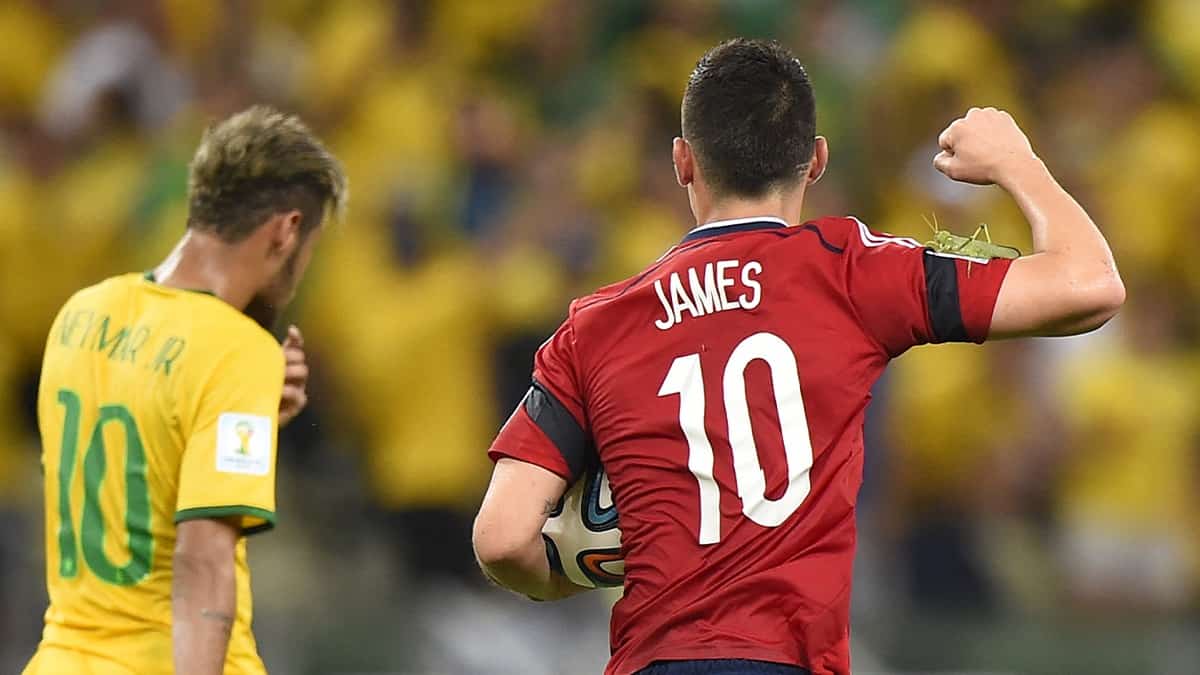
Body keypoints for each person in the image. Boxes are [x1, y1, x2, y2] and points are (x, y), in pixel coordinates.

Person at [472, 38, 1123, 675]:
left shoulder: (596, 325)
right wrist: (1018, 161)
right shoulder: (851, 272)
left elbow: (502, 537)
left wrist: (570, 571)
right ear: (814, 160)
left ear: (683, 161)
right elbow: (1090, 286)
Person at [24, 106, 346, 675]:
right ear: (287, 231)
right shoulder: (234, 348)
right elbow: (203, 561)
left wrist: (251, 416)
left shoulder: (82, 313)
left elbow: (139, 459)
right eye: (310, 251)